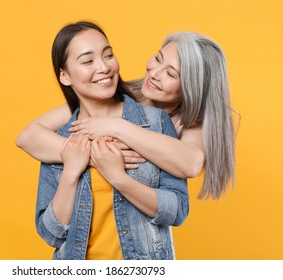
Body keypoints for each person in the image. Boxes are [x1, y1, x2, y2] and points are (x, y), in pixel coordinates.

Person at [16, 28, 236, 200]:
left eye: (170, 73)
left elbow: (191, 163)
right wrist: (91, 155)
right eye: (158, 59)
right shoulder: (118, 93)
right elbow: (28, 137)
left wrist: (115, 126)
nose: (154, 73)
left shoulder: (191, 121)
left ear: (192, 89)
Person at [32, 21, 188, 260]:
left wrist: (119, 179)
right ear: (65, 76)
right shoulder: (61, 139)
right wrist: (71, 172)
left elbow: (177, 210)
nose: (104, 67)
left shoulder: (155, 123)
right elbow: (50, 235)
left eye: (108, 55)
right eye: (87, 61)